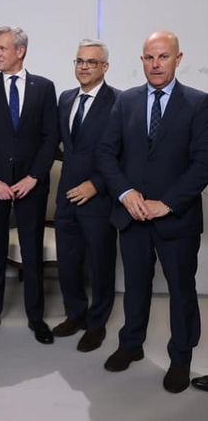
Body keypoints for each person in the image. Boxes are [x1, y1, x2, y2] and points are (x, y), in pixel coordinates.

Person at [96, 30, 208, 394]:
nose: (155, 64)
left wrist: (169, 202)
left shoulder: (198, 103)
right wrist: (126, 194)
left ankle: (181, 358)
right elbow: (106, 154)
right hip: (132, 215)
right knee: (135, 286)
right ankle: (131, 344)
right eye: (148, 57)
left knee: (181, 291)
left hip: (176, 218)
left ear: (178, 59)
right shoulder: (125, 101)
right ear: (141, 61)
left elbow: (203, 163)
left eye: (162, 57)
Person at [0, 26, 59, 344]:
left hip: (31, 186)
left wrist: (33, 177)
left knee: (32, 253)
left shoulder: (44, 88)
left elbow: (51, 138)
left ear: (20, 51)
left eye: (2, 48)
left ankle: (36, 318)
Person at [52, 39, 119, 352]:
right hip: (66, 197)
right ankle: (75, 314)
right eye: (79, 61)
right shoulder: (65, 99)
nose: (83, 67)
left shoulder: (119, 102)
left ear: (104, 67)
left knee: (101, 264)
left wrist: (96, 184)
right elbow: (62, 146)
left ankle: (96, 324)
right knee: (68, 262)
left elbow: (123, 154)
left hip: (98, 200)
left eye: (91, 62)